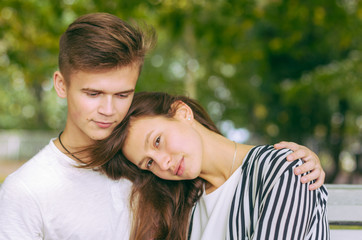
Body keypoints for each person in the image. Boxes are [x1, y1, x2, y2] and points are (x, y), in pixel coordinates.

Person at [0, 13, 324, 239]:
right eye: (93, 93)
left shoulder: (274, 172)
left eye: (123, 93)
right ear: (61, 85)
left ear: (180, 111)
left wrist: (289, 161)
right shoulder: (26, 191)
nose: (109, 110)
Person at [85, 91, 329, 239]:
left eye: (157, 141)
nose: (163, 163)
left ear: (183, 113)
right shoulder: (184, 209)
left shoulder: (285, 169)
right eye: (148, 163)